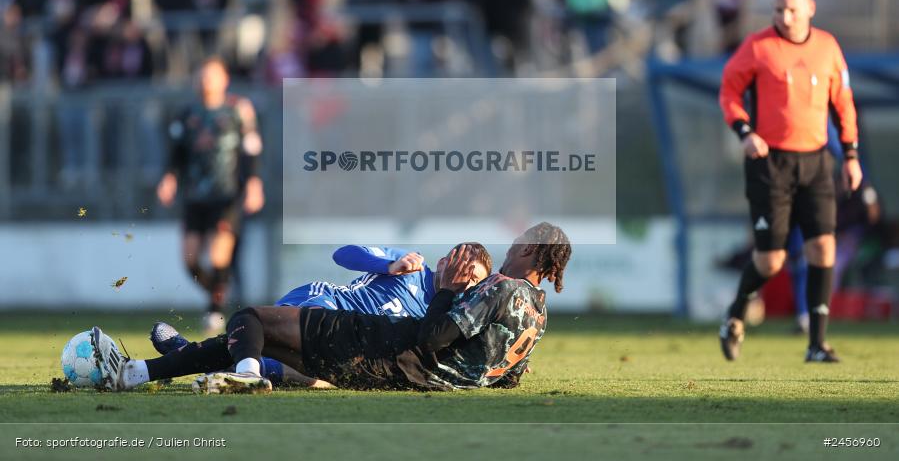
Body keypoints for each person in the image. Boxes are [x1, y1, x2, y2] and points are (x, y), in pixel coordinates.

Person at [92, 222, 571, 392]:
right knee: (258, 335)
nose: (512, 246)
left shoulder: (501, 287)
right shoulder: (538, 314)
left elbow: (430, 338)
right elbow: (507, 372)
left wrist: (445, 290)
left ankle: (248, 376)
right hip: (398, 369)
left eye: (519, 242)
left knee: (252, 320)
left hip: (390, 353)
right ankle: (137, 373)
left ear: (532, 250)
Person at [718, 0, 863, 363]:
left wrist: (850, 156)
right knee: (772, 260)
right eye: (779, 9)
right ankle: (734, 315)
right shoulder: (758, 46)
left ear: (810, 8)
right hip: (771, 164)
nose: (785, 16)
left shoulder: (828, 47)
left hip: (816, 162)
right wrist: (745, 132)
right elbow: (729, 91)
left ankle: (816, 343)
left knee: (823, 246)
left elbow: (843, 103)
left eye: (793, 9)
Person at [149, 244, 492, 385]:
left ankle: (187, 356)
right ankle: (185, 354)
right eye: (465, 270)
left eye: (474, 280)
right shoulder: (410, 267)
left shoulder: (443, 314)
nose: (466, 282)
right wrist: (387, 264)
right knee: (264, 340)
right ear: (447, 261)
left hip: (344, 346)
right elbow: (343, 254)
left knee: (306, 376)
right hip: (322, 306)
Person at [156, 57, 264, 334]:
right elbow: (176, 153)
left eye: (211, 76)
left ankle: (214, 311)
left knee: (218, 256)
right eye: (201, 77)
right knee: (190, 260)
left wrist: (253, 183)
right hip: (195, 195)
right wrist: (169, 178)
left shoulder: (238, 109)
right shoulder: (186, 114)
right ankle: (217, 292)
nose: (206, 82)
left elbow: (251, 149)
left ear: (224, 79)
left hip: (227, 195)